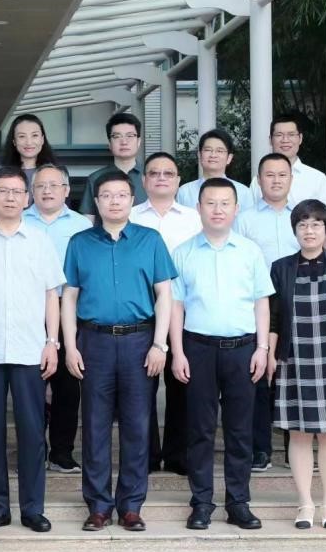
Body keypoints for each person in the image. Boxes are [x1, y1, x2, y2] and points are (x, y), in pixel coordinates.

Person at [63, 170, 176, 531]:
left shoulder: (150, 240)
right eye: (107, 195)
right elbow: (69, 297)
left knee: (137, 426)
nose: (114, 201)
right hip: (93, 341)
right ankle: (98, 506)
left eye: (121, 195)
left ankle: (130, 506)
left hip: (139, 342)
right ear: (96, 202)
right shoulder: (79, 242)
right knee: (94, 426)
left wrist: (160, 344)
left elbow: (164, 295)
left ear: (132, 200)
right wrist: (70, 346)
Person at [0, 168, 65, 534]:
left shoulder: (40, 240)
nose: (9, 197)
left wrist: (53, 342)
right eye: (2, 191)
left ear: (27, 199)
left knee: (32, 433)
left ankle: (33, 509)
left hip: (30, 350)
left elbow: (52, 295)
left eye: (17, 191)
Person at [170, 179, 273, 531]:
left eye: (225, 203)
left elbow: (262, 302)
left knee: (240, 431)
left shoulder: (250, 251)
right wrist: (177, 352)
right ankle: (201, 503)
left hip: (242, 350)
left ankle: (238, 502)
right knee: (199, 430)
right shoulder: (183, 252)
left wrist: (262, 348)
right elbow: (175, 306)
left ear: (236, 208)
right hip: (197, 348)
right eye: (210, 203)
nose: (217, 209)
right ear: (198, 208)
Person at [268, 200, 326, 530]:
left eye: (316, 225)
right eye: (303, 225)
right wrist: (270, 355)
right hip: (294, 358)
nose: (309, 231)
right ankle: (305, 503)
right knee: (298, 434)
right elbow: (274, 318)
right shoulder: (281, 268)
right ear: (294, 230)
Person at [128, 152, 201, 476]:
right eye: (154, 173)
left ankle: (178, 455)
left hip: (185, 310)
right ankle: (145, 455)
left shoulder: (194, 218)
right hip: (140, 311)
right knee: (141, 387)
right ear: (144, 181)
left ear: (178, 181)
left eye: (168, 173)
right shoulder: (129, 216)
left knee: (181, 383)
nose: (161, 178)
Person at [22, 164, 91, 475]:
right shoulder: (20, 221)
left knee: (68, 384)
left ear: (66, 190)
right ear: (31, 192)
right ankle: (33, 450)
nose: (47, 191)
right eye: (40, 185)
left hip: (70, 309)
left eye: (54, 185)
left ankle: (62, 452)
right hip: (27, 308)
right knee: (29, 384)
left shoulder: (82, 226)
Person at [235, 152, 301, 473]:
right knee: (259, 377)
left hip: (298, 301)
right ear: (259, 180)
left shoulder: (303, 216)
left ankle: (296, 449)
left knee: (295, 375)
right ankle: (260, 449)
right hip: (257, 302)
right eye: (269, 175)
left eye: (282, 175)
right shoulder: (245, 218)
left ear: (291, 179)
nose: (276, 180)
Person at [251, 112, 326, 205]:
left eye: (291, 134)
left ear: (300, 138)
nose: (285, 140)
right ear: (270, 140)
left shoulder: (317, 178)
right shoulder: (258, 181)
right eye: (279, 135)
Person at [80, 111, 147, 218]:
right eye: (117, 136)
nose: (124, 142)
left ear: (139, 141)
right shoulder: (95, 178)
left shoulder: (151, 177)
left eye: (130, 136)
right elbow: (88, 220)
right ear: (109, 144)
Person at [177, 128, 253, 209]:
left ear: (229, 158)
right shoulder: (184, 192)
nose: (213, 155)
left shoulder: (243, 193)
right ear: (199, 155)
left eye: (219, 151)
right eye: (208, 150)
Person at [2, 113, 60, 189]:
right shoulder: (3, 175)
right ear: (14, 141)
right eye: (22, 136)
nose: (29, 142)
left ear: (42, 139)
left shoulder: (56, 173)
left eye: (34, 135)